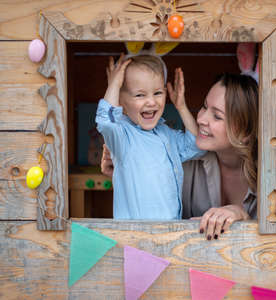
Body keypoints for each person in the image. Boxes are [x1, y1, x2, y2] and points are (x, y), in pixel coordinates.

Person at [101, 71, 259, 240]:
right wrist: (128, 168)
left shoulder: (272, 173)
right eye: (205, 107)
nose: (201, 119)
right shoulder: (181, 162)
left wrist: (242, 215)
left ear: (245, 133)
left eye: (217, 116)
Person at [96, 54, 204, 220]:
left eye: (158, 93)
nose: (151, 102)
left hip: (170, 235)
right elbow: (105, 122)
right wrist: (114, 85)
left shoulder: (166, 134)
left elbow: (196, 146)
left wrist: (181, 107)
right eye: (140, 95)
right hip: (136, 237)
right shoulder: (123, 137)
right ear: (120, 100)